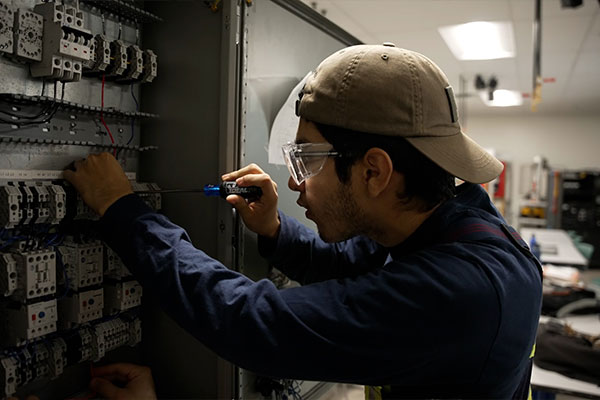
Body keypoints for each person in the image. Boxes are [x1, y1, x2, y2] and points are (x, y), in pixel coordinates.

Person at [64, 44, 542, 399]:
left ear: (374, 171)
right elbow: (345, 264)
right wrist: (273, 228)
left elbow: (249, 320)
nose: (295, 184)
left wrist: (123, 209)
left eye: (308, 160)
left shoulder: (461, 293)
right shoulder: (443, 221)